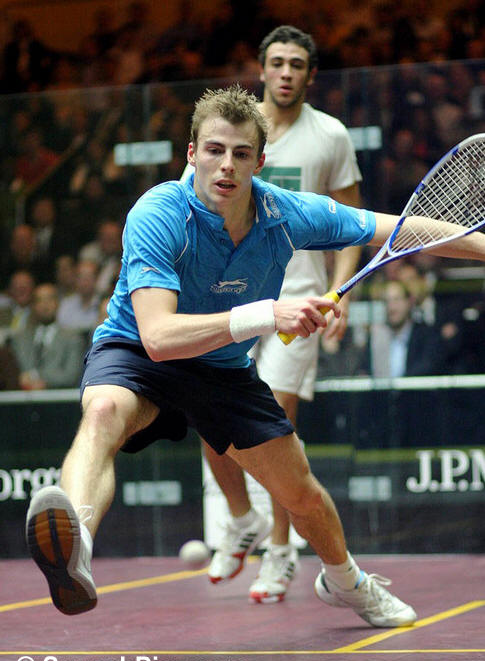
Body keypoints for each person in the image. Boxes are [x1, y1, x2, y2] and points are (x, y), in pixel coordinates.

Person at [24, 84, 485, 625]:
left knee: (300, 494)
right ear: (192, 153)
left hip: (222, 368)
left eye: (241, 154)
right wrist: (268, 314)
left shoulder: (285, 213)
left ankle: (347, 582)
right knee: (103, 410)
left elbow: (402, 230)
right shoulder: (159, 212)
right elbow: (159, 337)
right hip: (138, 352)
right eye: (214, 150)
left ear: (259, 162)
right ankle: (74, 547)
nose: (227, 165)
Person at [201, 25, 363, 604]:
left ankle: (279, 551)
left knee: (272, 426)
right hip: (232, 299)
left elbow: (352, 222)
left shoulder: (331, 135)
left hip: (302, 306)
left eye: (297, 63)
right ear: (263, 69)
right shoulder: (238, 132)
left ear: (311, 74)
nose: (286, 72)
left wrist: (341, 293)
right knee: (210, 418)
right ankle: (240, 519)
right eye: (277, 62)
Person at [11, 283, 85, 390]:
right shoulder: (20, 339)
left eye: (50, 299)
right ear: (33, 306)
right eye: (39, 300)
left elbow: (71, 375)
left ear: (58, 303)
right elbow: (14, 373)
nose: (45, 305)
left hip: (59, 398)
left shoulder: (73, 338)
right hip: (21, 397)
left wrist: (40, 379)